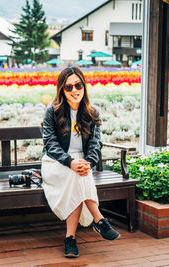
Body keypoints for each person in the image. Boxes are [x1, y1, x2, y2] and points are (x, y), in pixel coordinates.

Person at [41, 66, 120, 258]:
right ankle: (99, 220)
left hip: (81, 164)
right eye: (69, 87)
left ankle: (70, 238)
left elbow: (95, 144)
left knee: (79, 173)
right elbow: (50, 144)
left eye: (78, 85)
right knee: (76, 173)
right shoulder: (53, 111)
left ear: (84, 86)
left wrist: (89, 163)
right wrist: (70, 162)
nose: (74, 90)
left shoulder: (91, 113)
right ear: (61, 89)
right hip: (55, 162)